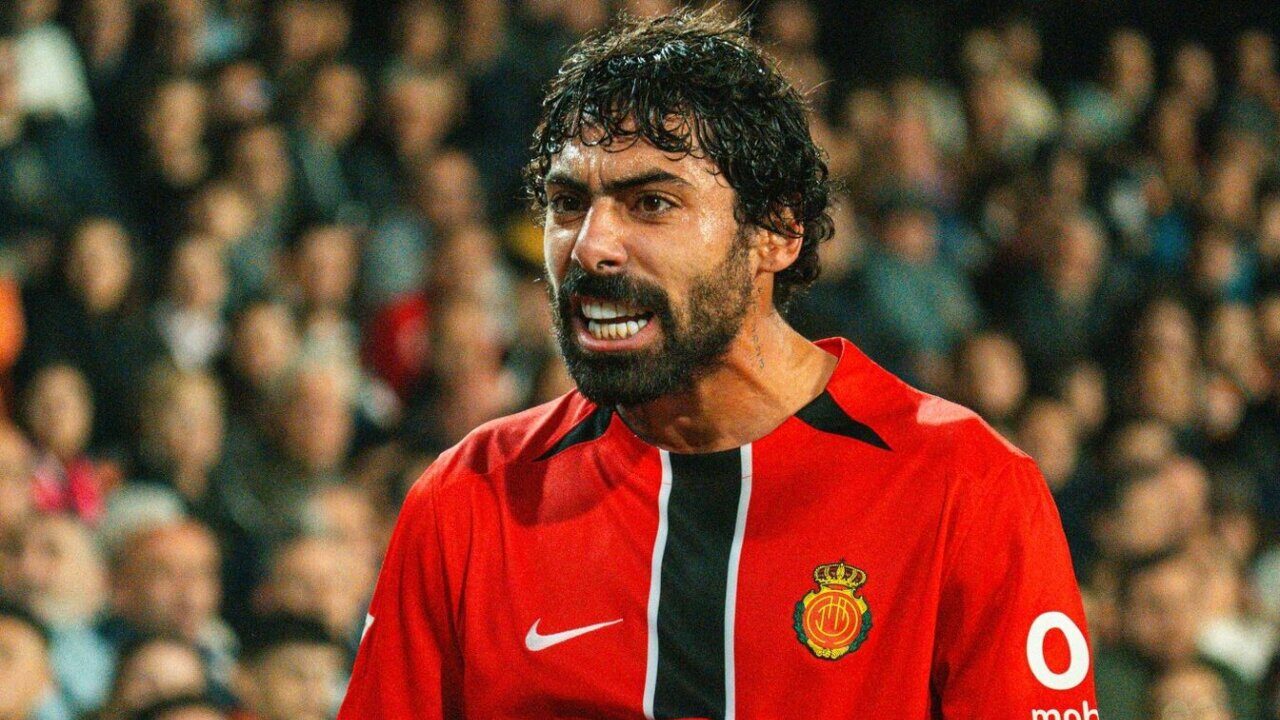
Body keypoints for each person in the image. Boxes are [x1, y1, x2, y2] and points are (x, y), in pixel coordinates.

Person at [339, 10, 1095, 719]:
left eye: (652, 203)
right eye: (568, 203)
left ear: (779, 229)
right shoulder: (468, 501)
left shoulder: (965, 486)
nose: (590, 246)